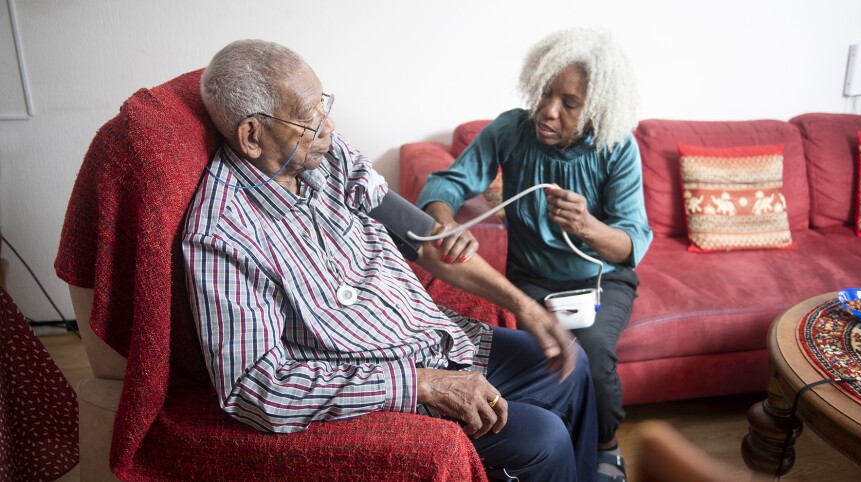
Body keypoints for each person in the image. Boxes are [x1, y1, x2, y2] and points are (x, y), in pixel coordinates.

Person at [183, 39, 599, 481]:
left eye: (323, 104)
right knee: (544, 439)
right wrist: (423, 382)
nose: (328, 125)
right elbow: (255, 388)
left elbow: (422, 237)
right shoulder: (221, 237)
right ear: (251, 134)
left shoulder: (327, 158)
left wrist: (526, 307)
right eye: (308, 117)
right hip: (382, 387)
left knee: (571, 369)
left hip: (434, 341)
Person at [417, 27, 653, 482]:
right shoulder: (510, 129)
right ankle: (552, 447)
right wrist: (443, 219)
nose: (548, 111)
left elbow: (631, 243)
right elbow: (446, 183)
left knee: (594, 347)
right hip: (532, 278)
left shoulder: (618, 148)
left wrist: (588, 227)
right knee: (541, 349)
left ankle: (606, 449)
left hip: (600, 279)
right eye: (545, 93)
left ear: (596, 109)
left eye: (569, 103)